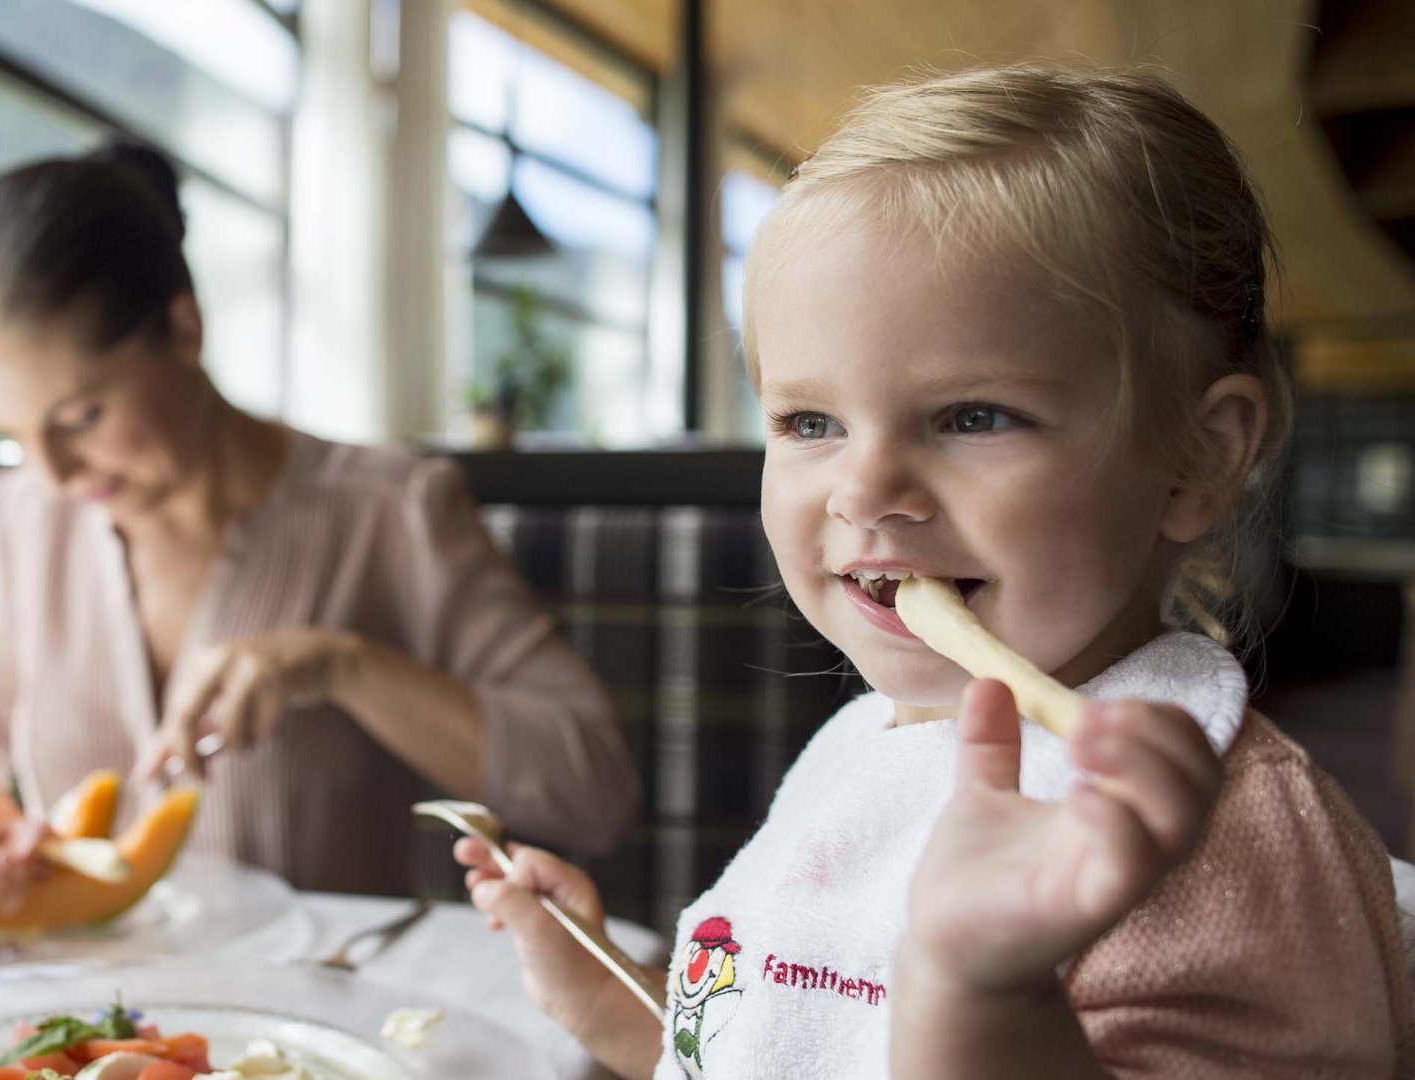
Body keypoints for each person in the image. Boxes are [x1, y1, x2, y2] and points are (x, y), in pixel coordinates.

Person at [458, 64, 1412, 1078]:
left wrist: (983, 995)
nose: (865, 489)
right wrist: (607, 996)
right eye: (810, 422)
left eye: (973, 417)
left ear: (1198, 457)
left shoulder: (1217, 839)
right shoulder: (869, 747)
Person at [0, 143, 637, 895]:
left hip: (327, 1021)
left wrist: (342, 667)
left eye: (82, 415)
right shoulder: (22, 514)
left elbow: (595, 790)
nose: (51, 471)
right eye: (12, 433)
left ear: (185, 330)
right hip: (82, 1021)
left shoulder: (392, 513)